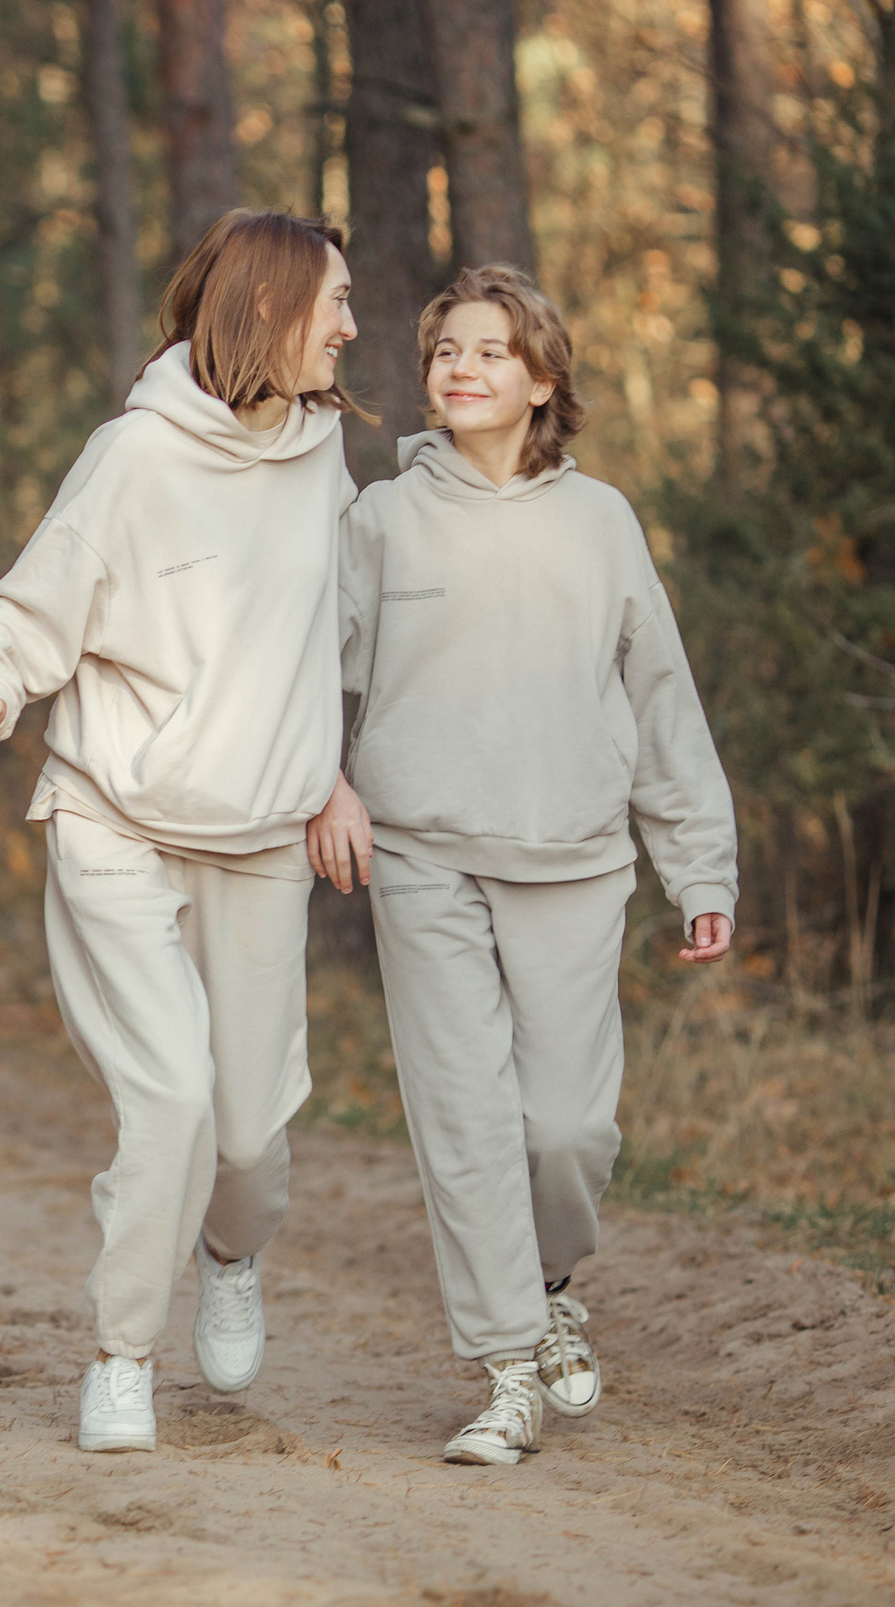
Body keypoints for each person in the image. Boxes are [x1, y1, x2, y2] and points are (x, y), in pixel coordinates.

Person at [0, 210, 364, 1453]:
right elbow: (30, 604)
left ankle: (231, 1255)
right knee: (171, 1097)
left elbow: (334, 635)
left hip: (262, 835)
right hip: (114, 815)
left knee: (247, 1139)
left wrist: (338, 777)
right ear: (270, 312)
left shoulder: (324, 454)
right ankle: (120, 1354)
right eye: (333, 302)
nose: (349, 326)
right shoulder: (132, 457)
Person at [313, 265, 737, 1467]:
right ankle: (506, 1370)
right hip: (421, 855)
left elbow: (661, 700)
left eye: (491, 350)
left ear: (541, 378)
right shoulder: (381, 517)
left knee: (562, 1132)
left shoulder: (600, 521)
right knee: (463, 1122)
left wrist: (698, 868)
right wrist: (322, 785)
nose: (461, 367)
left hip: (573, 857)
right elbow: (309, 679)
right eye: (445, 347)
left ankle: (549, 1279)